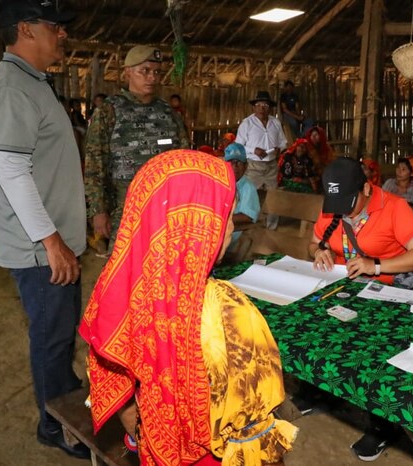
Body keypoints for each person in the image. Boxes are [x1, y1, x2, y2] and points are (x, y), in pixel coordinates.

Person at [80, 149, 297, 465]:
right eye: (226, 216)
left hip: (154, 450)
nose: (230, 230)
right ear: (199, 221)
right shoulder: (227, 312)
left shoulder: (114, 293)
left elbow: (117, 387)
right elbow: (249, 428)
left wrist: (142, 433)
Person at [0, 0, 89, 458]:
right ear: (25, 29)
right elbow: (12, 172)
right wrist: (51, 241)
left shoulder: (32, 83)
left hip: (52, 242)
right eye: (54, 26)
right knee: (51, 336)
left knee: (60, 333)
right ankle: (53, 424)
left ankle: (64, 395)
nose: (61, 33)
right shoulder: (11, 89)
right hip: (40, 249)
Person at [309, 157, 413, 460]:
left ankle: (382, 426)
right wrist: (319, 252)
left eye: (349, 201)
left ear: (367, 187)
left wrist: (377, 265)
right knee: (317, 326)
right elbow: (314, 241)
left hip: (386, 291)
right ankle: (323, 391)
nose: (342, 209)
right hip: (343, 285)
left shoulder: (393, 207)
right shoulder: (334, 204)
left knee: (377, 350)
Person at [85, 45, 189, 253]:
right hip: (124, 209)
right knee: (125, 269)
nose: (151, 77)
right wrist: (98, 211)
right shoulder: (109, 110)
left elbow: (183, 159)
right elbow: (94, 164)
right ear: (128, 72)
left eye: (156, 72)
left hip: (165, 208)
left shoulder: (168, 113)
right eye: (145, 71)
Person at [236, 90, 287, 230]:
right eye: (258, 105)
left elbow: (283, 142)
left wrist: (278, 149)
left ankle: (271, 229)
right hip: (253, 166)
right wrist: (254, 150)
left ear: (269, 107)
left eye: (265, 105)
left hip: (271, 165)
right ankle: (247, 228)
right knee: (250, 195)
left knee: (273, 197)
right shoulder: (247, 124)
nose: (262, 108)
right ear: (254, 107)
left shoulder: (275, 123)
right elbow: (239, 146)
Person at [224, 142, 261, 247]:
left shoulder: (248, 187)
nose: (235, 166)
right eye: (231, 162)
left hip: (234, 236)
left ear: (246, 166)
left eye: (239, 162)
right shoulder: (222, 184)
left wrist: (223, 219)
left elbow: (247, 216)